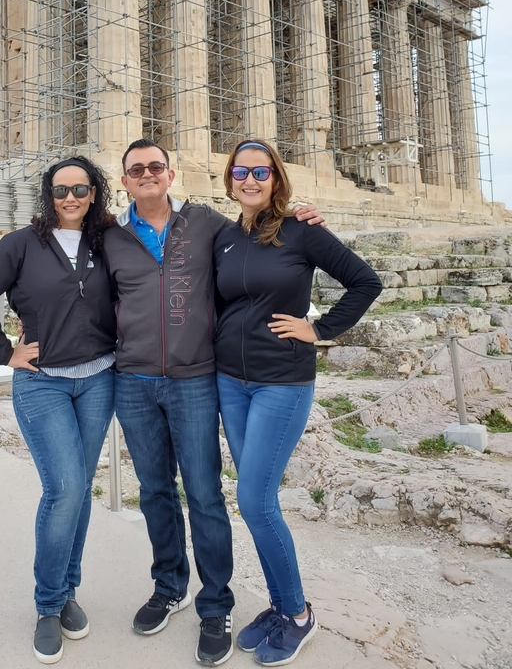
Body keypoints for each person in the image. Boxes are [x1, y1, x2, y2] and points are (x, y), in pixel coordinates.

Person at [103, 138, 325, 667]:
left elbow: (259, 237)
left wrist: (300, 217)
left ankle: (215, 605)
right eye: (136, 169)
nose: (147, 174)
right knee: (155, 491)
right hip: (133, 380)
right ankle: (169, 587)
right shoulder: (108, 234)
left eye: (156, 166)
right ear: (125, 180)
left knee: (204, 493)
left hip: (196, 378)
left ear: (171, 174)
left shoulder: (207, 225)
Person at [213, 139, 382, 667]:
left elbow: (365, 282)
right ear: (229, 179)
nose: (250, 180)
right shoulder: (224, 237)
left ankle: (298, 613)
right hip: (230, 383)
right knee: (255, 501)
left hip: (281, 383)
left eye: (260, 172)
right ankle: (280, 606)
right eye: (241, 171)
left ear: (276, 178)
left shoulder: (302, 230)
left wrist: (320, 329)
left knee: (255, 501)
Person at [0, 157, 117, 666]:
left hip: (98, 379)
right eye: (60, 190)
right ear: (47, 195)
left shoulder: (107, 241)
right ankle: (48, 604)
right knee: (64, 489)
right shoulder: (21, 244)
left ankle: (68, 590)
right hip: (42, 382)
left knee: (81, 489)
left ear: (94, 193)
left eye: (80, 189)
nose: (70, 198)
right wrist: (2, 352)